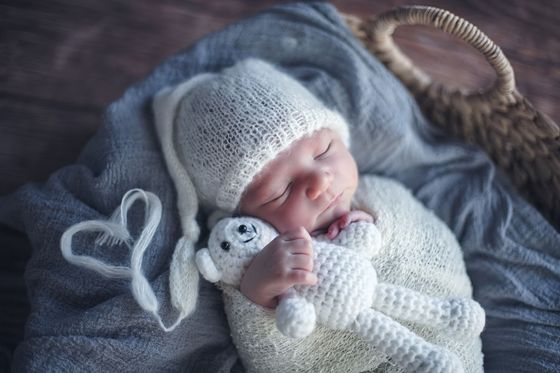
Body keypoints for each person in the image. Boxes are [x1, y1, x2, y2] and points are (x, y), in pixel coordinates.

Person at [153, 58, 484, 372]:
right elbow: (271, 360)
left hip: (443, 332)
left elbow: (434, 247)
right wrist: (259, 291)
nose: (319, 181)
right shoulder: (252, 265)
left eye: (324, 151)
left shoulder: (378, 194)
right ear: (245, 217)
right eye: (282, 190)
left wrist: (374, 223)